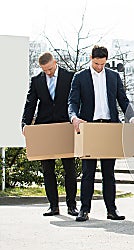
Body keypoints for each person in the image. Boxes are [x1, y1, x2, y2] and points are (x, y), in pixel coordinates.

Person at [68, 45, 134, 222]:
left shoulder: (113, 76)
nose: (99, 67)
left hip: (109, 127)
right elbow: (72, 102)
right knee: (88, 171)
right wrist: (74, 117)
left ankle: (111, 210)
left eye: (102, 64)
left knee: (109, 172)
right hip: (89, 127)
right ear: (90, 58)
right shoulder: (80, 77)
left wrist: (131, 118)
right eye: (96, 63)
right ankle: (84, 209)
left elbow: (123, 99)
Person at [21, 52, 78, 217]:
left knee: (70, 169)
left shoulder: (70, 77)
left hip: (64, 126)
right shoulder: (36, 80)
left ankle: (71, 205)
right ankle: (53, 206)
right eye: (45, 70)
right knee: (47, 170)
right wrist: (25, 124)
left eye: (50, 69)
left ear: (56, 62)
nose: (48, 73)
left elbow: (74, 100)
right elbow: (30, 103)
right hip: (44, 128)